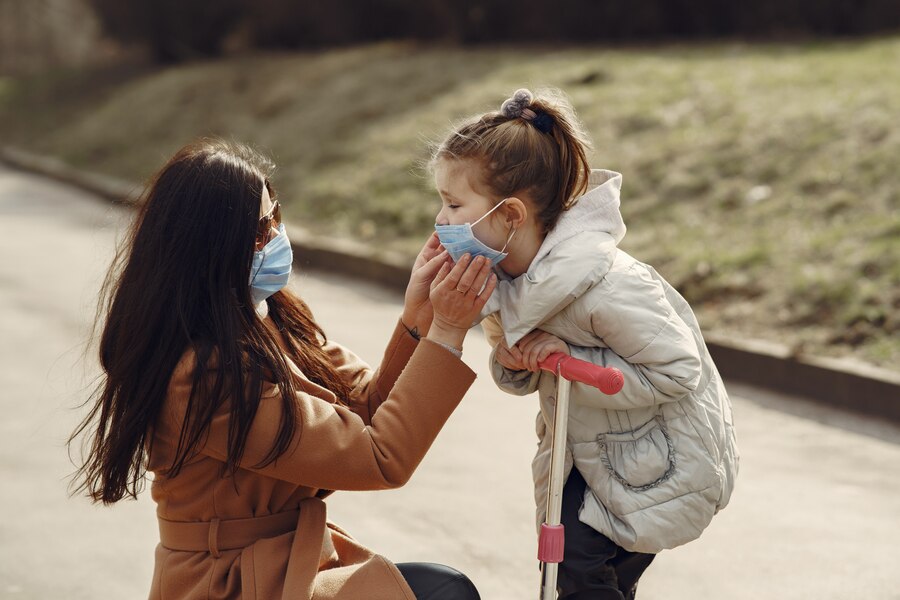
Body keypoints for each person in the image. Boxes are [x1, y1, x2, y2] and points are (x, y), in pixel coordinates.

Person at [69, 139, 497, 600]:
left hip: (286, 563)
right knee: (444, 592)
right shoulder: (200, 373)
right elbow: (379, 457)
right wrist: (448, 331)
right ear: (210, 247)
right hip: (226, 581)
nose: (275, 237)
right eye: (258, 230)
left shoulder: (268, 312)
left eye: (276, 218)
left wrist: (418, 317)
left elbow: (367, 407)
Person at [430, 88, 739, 599]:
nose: (441, 220)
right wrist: (516, 359)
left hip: (657, 457)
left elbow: (679, 371)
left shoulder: (608, 283)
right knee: (571, 573)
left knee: (576, 569)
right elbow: (521, 374)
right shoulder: (506, 279)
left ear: (510, 215)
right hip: (587, 455)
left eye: (454, 204)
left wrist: (568, 359)